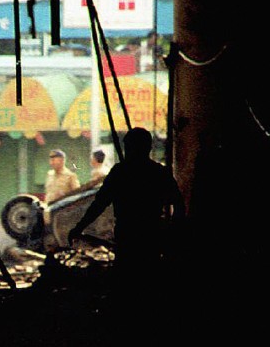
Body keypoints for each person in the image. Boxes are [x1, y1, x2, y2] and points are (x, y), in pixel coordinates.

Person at [67, 128, 185, 345]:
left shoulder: (120, 172)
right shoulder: (158, 173)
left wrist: (79, 227)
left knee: (126, 289)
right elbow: (178, 205)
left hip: (129, 238)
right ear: (148, 147)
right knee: (149, 287)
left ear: (128, 147)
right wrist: (173, 234)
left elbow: (99, 204)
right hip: (151, 238)